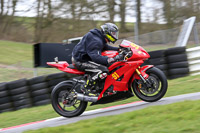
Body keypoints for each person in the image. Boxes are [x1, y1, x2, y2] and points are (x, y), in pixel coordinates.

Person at [72, 23, 123, 90]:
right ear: (107, 32)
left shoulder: (99, 37)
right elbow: (96, 58)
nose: (114, 36)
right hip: (80, 61)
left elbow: (104, 47)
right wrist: (112, 59)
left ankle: (102, 86)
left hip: (84, 57)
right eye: (113, 33)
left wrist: (118, 49)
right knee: (103, 70)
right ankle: (87, 89)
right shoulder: (96, 41)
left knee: (108, 65)